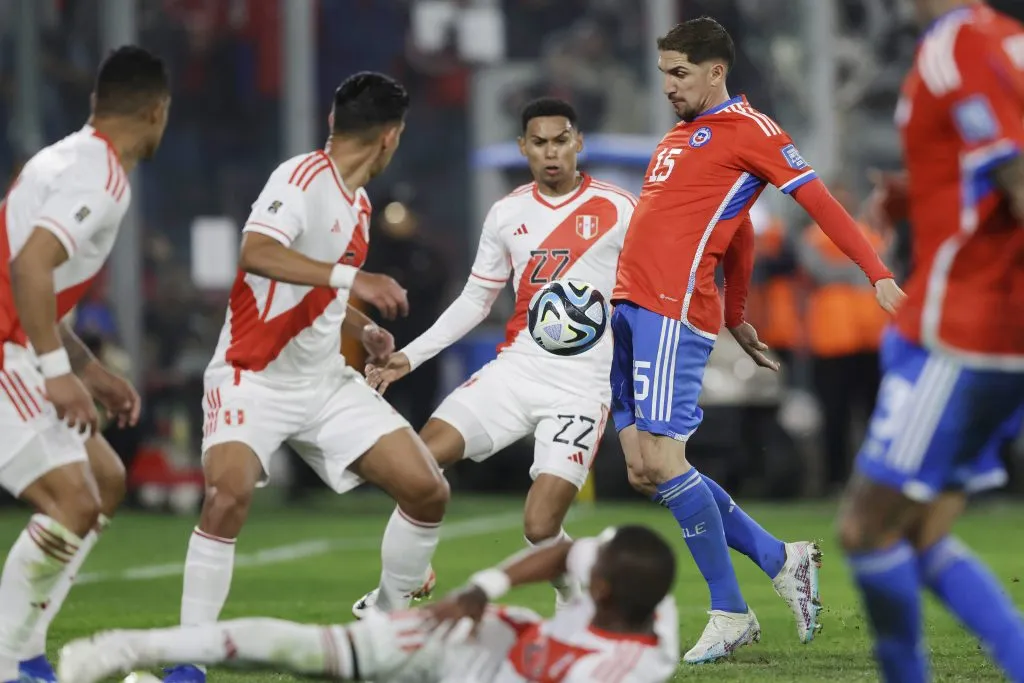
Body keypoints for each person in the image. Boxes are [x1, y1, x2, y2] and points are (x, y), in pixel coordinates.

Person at [356, 98, 818, 634]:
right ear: (524, 147)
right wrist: (409, 357)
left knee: (551, 519)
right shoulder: (507, 214)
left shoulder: (622, 209)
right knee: (417, 467)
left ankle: (593, 595)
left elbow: (682, 267)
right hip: (516, 371)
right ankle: (391, 603)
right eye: (539, 142)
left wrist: (723, 318)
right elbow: (474, 302)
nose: (551, 153)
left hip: (584, 387)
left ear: (577, 143)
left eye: (560, 140)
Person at [610, 17, 904, 663]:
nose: (668, 85)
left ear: (717, 70)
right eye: (663, 72)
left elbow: (820, 199)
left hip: (671, 306)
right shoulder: (680, 137)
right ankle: (780, 556)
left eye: (679, 72)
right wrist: (740, 313)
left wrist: (876, 273)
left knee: (663, 462)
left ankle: (730, 610)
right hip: (629, 307)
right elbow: (736, 229)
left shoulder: (754, 130)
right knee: (642, 468)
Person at [162, 72, 450, 683]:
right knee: (226, 497)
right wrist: (356, 282)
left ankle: (386, 632)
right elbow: (258, 253)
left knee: (427, 491)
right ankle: (189, 659)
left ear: (334, 120)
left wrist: (361, 324)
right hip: (253, 376)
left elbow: (311, 282)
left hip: (323, 381)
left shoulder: (362, 203)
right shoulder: (297, 180)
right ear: (390, 138)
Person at [836, 1, 1024, 681]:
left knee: (867, 527)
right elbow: (986, 179)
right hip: (979, 323)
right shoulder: (1002, 39)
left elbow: (1018, 176)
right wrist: (920, 196)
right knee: (919, 532)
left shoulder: (958, 43)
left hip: (966, 330)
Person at [0, 46, 169, 683]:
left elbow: (35, 279)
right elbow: (29, 265)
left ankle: (24, 651)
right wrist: (56, 371)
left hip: (19, 343)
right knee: (72, 499)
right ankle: (8, 662)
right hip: (5, 353)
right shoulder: (98, 177)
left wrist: (89, 369)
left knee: (103, 483)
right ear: (158, 112)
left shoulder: (65, 156)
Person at [58, 525, 679, 683]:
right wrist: (477, 592)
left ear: (600, 592)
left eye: (592, 568)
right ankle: (127, 647)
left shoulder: (623, 672)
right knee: (310, 650)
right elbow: (559, 551)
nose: (583, 560)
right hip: (481, 642)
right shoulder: (648, 592)